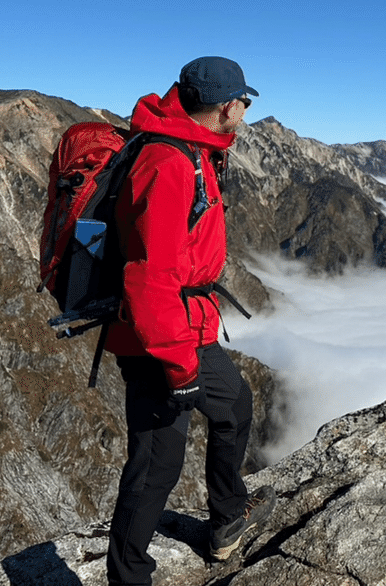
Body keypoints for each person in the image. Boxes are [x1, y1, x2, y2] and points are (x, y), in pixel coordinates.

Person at [105, 56, 275, 586]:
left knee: (235, 405)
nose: (245, 115)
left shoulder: (194, 150)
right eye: (243, 104)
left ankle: (227, 520)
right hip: (159, 337)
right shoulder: (169, 162)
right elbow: (148, 277)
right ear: (227, 108)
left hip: (188, 325)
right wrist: (177, 368)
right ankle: (128, 577)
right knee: (157, 464)